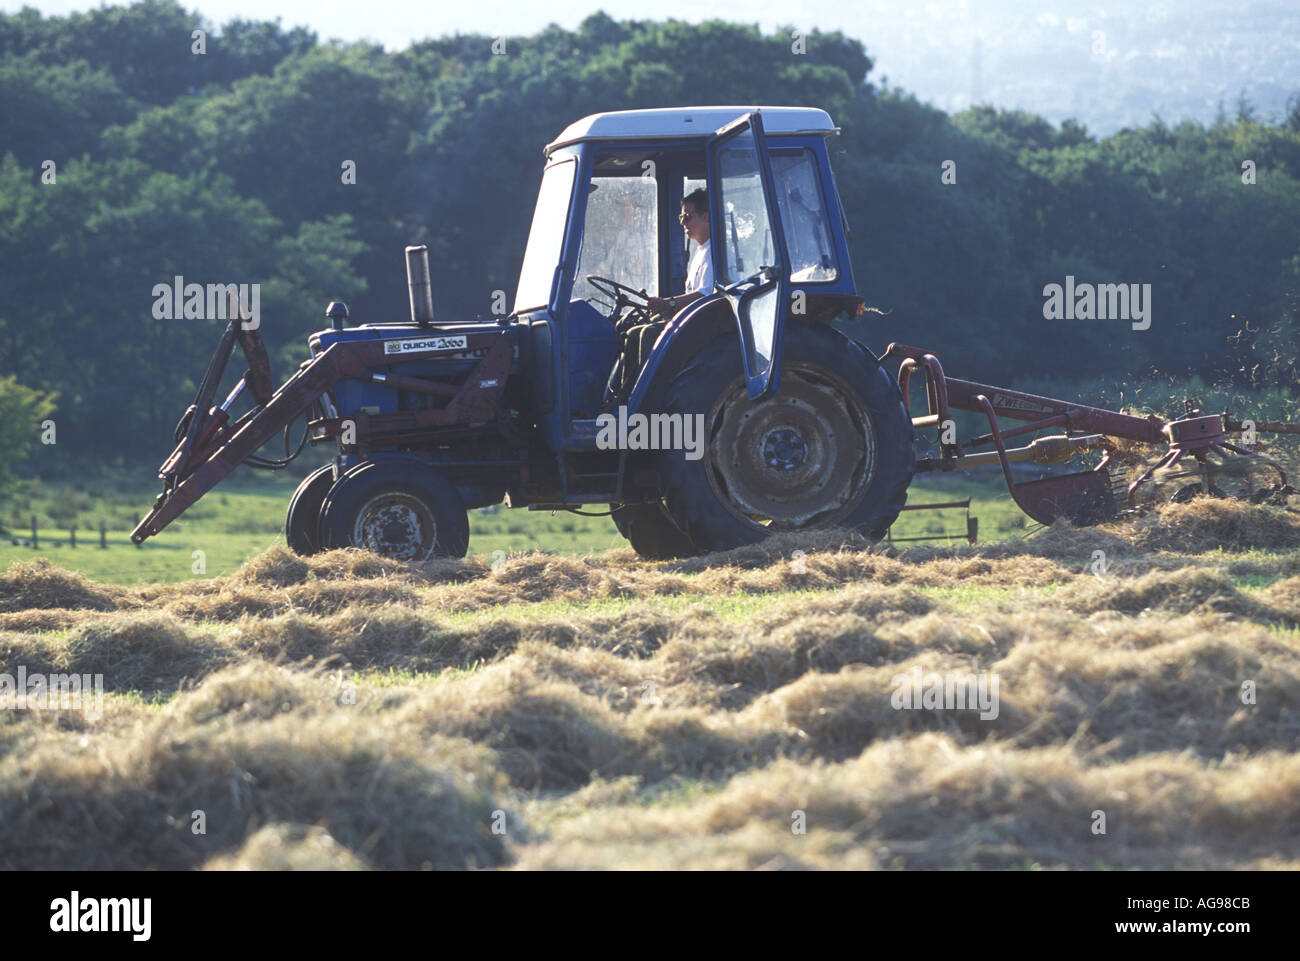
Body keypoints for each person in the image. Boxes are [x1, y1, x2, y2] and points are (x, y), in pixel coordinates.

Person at [607, 189, 713, 404]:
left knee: (647, 335)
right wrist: (664, 305)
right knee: (632, 330)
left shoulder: (714, 252)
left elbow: (705, 295)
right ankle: (622, 396)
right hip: (692, 317)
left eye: (687, 216)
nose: (683, 222)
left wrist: (669, 303)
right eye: (680, 217)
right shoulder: (701, 251)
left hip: (705, 325)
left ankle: (647, 400)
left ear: (706, 217)